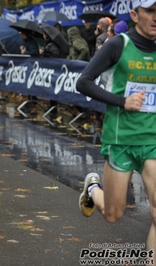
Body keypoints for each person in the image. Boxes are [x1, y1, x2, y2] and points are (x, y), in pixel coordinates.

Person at [76, 0, 156, 262]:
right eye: (151, 11)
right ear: (135, 15)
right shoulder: (118, 45)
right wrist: (123, 101)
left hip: (152, 139)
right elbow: (83, 82)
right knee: (113, 214)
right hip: (120, 139)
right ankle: (92, 190)